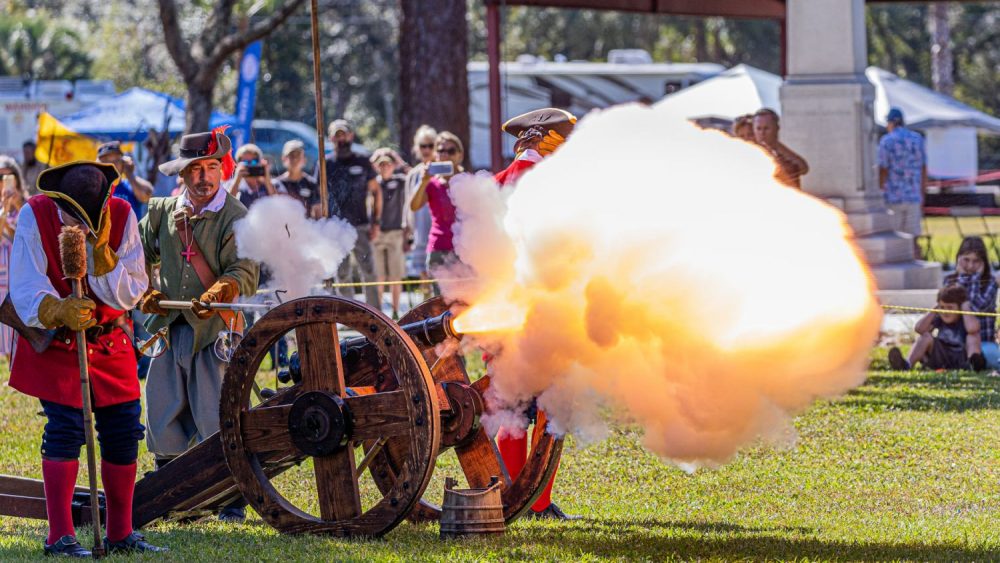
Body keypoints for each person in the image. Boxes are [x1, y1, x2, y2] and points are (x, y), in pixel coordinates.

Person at [8, 161, 166, 555]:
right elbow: (25, 282)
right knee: (65, 430)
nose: (74, 225)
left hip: (111, 341)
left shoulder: (124, 215)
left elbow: (131, 292)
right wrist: (55, 310)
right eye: (69, 217)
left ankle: (120, 532)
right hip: (61, 341)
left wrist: (102, 257)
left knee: (124, 431)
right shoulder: (35, 212)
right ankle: (59, 536)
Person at [137, 127, 259, 522]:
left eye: (211, 167)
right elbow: (134, 254)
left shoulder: (236, 216)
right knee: (163, 409)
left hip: (216, 330)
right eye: (195, 169)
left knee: (216, 413)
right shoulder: (161, 211)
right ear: (183, 175)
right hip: (171, 326)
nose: (204, 177)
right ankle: (171, 497)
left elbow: (245, 269)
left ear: (221, 170)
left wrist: (222, 288)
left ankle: (232, 500)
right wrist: (145, 287)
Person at [492, 108, 580, 521]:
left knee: (511, 407)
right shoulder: (546, 183)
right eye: (563, 140)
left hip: (497, 310)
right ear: (545, 139)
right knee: (551, 406)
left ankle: (513, 494)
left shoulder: (493, 183)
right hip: (541, 311)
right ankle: (537, 502)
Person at [320, 119, 381, 307]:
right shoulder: (325, 164)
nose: (341, 139)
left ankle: (374, 313)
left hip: (361, 225)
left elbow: (376, 191)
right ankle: (348, 312)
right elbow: (319, 197)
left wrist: (376, 222)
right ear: (331, 138)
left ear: (351, 135)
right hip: (337, 228)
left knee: (368, 270)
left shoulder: (363, 161)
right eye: (337, 135)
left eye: (343, 134)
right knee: (342, 273)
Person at [409, 131, 466, 283]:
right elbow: (414, 206)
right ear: (435, 154)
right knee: (437, 305)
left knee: (465, 303)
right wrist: (423, 181)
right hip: (438, 249)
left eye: (451, 151)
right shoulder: (431, 183)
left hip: (464, 249)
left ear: (460, 155)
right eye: (441, 150)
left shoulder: (468, 180)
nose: (445, 154)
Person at [888, 285, 985, 371]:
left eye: (950, 308)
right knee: (925, 336)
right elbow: (919, 329)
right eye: (942, 307)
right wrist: (934, 310)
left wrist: (965, 308)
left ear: (960, 308)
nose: (945, 311)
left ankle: (974, 364)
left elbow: (973, 329)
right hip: (940, 356)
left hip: (961, 357)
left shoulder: (964, 318)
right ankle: (906, 365)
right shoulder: (939, 317)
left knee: (973, 336)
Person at [943, 236, 999, 368]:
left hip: (983, 342)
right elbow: (952, 304)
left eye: (976, 261)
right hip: (955, 341)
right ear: (958, 258)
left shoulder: (991, 282)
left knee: (991, 354)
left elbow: (978, 308)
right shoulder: (949, 280)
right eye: (966, 260)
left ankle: (973, 362)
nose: (970, 266)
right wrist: (964, 278)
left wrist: (974, 279)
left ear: (983, 262)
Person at [371, 151, 409, 319]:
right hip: (377, 233)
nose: (385, 167)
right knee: (379, 274)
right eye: (381, 164)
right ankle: (378, 311)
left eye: (388, 164)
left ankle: (395, 310)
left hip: (395, 231)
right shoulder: (374, 183)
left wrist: (396, 157)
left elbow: (411, 172)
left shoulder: (399, 181)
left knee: (395, 274)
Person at [878, 107, 927, 239]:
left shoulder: (886, 141)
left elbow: (883, 169)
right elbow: (923, 168)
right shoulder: (917, 139)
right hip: (914, 196)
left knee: (895, 241)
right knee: (913, 239)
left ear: (891, 123)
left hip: (893, 197)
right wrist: (922, 192)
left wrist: (879, 190)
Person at [0, 156, 29, 359]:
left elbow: (27, 236)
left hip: (22, 270)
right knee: (5, 322)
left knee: (23, 322)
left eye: (8, 176)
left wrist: (16, 204)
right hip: (3, 272)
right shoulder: (1, 208)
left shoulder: (27, 205)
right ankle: (11, 369)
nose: (4, 181)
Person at [405, 125, 437, 280]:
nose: (427, 149)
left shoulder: (442, 171)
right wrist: (406, 232)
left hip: (438, 231)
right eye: (423, 146)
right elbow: (408, 204)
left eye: (430, 145)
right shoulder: (413, 174)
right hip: (419, 232)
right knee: (423, 275)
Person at [752, 109, 810, 189]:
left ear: (776, 128)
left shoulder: (782, 152)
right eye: (758, 129)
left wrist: (775, 145)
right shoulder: (751, 152)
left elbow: (803, 168)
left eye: (766, 128)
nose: (762, 133)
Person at [97, 141, 154, 219]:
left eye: (116, 160)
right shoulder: (96, 188)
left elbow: (146, 196)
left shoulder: (131, 185)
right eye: (106, 161)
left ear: (123, 162)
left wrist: (129, 174)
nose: (112, 165)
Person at [271, 139, 319, 216]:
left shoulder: (311, 184)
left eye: (298, 156)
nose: (295, 159)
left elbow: (317, 212)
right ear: (283, 158)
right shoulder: (277, 184)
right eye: (291, 156)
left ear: (304, 160)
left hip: (306, 226)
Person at [225, 143, 275, 208]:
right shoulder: (230, 184)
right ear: (238, 164)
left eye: (254, 162)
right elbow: (226, 205)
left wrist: (267, 179)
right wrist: (237, 181)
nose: (250, 165)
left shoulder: (273, 184)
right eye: (245, 162)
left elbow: (277, 203)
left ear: (260, 162)